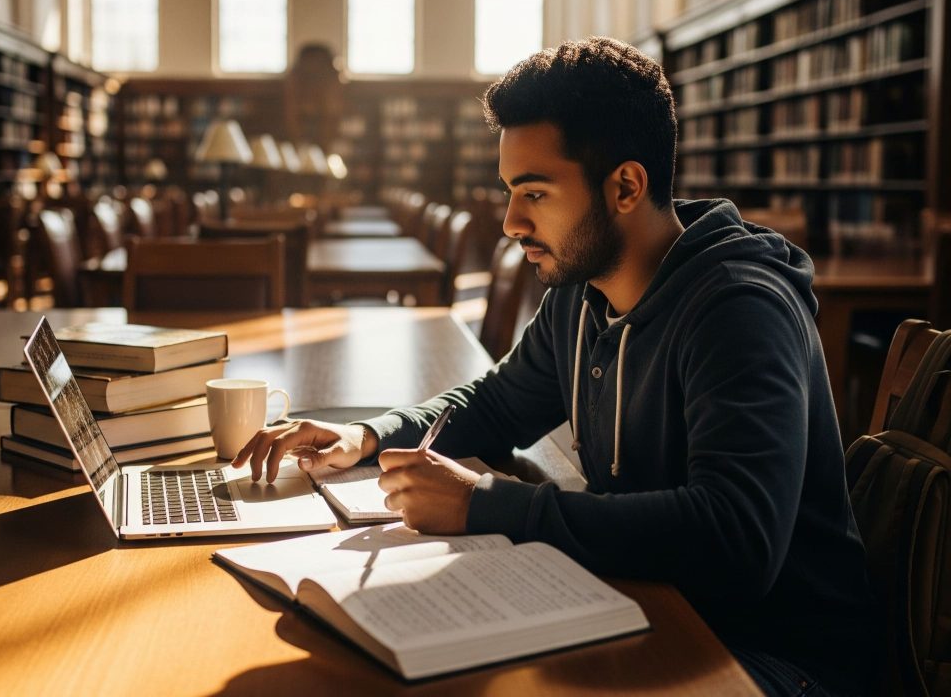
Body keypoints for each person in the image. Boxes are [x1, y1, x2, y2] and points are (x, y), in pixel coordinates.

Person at [234, 37, 879, 697]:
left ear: (626, 186)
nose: (511, 222)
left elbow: (734, 540)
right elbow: (497, 404)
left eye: (534, 193)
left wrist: (488, 505)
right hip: (647, 606)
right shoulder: (582, 291)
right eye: (511, 192)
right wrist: (366, 436)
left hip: (774, 660)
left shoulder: (740, 310)